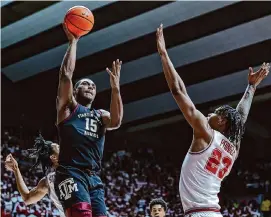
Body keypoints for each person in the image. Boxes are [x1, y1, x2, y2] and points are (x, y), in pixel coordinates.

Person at [156, 23, 270, 217]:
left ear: (222, 121)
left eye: (215, 113)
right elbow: (240, 117)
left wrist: (163, 54)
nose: (209, 115)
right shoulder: (233, 147)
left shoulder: (205, 134)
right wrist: (251, 88)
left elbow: (178, 91)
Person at [55, 23, 123, 217]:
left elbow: (117, 121)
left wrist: (116, 89)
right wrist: (73, 42)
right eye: (84, 83)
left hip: (94, 178)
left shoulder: (101, 115)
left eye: (93, 85)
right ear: (75, 91)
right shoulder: (68, 109)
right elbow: (66, 76)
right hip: (70, 172)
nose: (90, 86)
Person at [4, 135, 64, 217]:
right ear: (53, 157)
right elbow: (27, 198)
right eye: (58, 147)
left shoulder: (72, 168)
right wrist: (16, 169)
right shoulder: (47, 182)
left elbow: (27, 198)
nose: (62, 148)